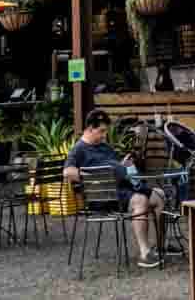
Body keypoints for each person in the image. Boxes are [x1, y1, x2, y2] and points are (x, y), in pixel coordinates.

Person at [63, 111, 165, 269]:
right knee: (140, 200)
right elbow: (68, 172)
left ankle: (159, 246)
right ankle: (144, 253)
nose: (104, 135)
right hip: (103, 196)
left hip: (122, 189)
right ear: (90, 129)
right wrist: (97, 175)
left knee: (159, 196)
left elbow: (114, 165)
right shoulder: (79, 149)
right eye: (101, 131)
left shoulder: (104, 146)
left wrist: (123, 165)